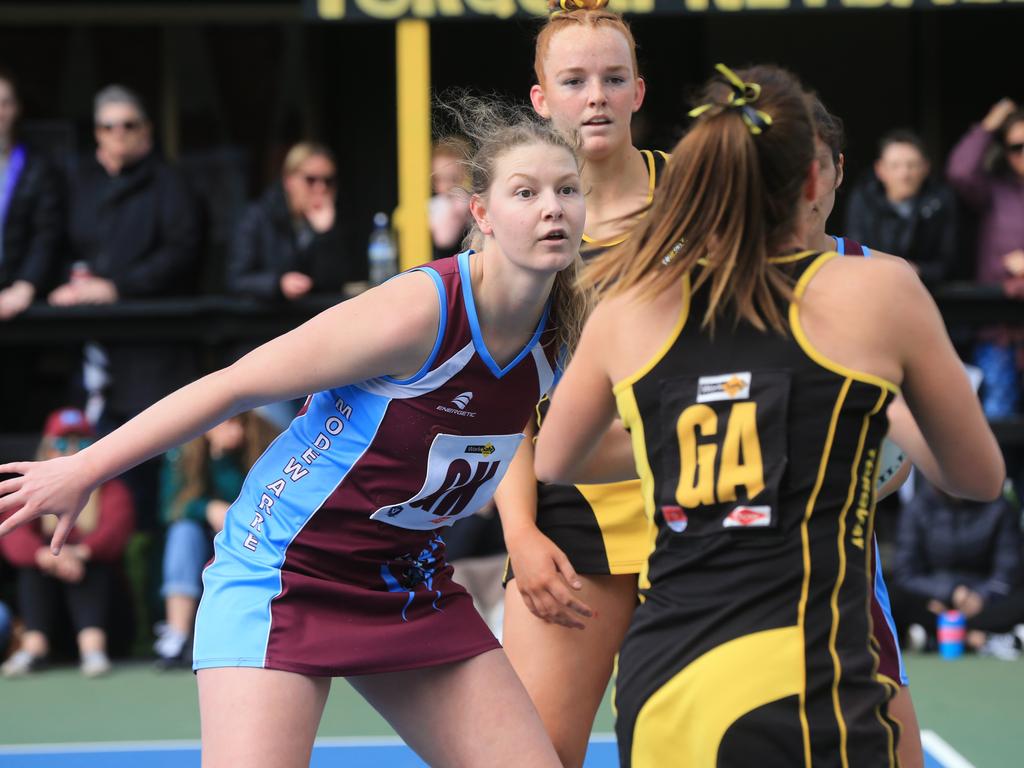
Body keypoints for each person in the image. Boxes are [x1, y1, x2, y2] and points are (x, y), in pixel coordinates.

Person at [0, 103, 587, 768]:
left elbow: (502, 428)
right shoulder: (419, 313)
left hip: (404, 580)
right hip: (283, 571)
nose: (553, 208)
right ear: (480, 214)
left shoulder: (567, 327)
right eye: (526, 192)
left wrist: (522, 530)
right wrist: (85, 469)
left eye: (568, 189)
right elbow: (235, 384)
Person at [534, 63, 1004, 767]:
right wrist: (877, 406)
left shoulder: (629, 305)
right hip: (802, 684)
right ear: (813, 181)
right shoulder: (878, 292)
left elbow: (555, 460)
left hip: (662, 687)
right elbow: (978, 477)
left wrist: (692, 435)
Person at [494, 2, 666, 764]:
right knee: (539, 753)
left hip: (694, 515)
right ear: (541, 99)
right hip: (570, 527)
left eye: (612, 78)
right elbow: (496, 404)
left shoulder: (703, 198)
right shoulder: (516, 227)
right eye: (573, 80)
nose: (594, 95)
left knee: (676, 748)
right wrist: (521, 536)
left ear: (638, 92)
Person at [807, 96, 925, 768]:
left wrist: (883, 472)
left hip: (843, 547)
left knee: (883, 721)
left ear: (840, 170)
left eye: (814, 166)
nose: (800, 186)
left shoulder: (884, 279)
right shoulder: (704, 284)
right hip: (723, 555)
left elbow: (918, 437)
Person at [0, 408, 134, 678]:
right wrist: (48, 556)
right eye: (61, 443)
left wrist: (79, 553)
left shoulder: (113, 489)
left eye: (81, 443)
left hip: (108, 620)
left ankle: (92, 648)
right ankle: (34, 646)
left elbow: (114, 534)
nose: (71, 450)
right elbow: (12, 536)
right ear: (46, 448)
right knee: (38, 561)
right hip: (52, 620)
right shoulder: (30, 488)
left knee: (90, 562)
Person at [154, 411, 278, 668]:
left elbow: (267, 501)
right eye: (227, 423)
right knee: (182, 532)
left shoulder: (265, 437)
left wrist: (224, 461)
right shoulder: (184, 449)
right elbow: (171, 508)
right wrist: (207, 508)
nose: (235, 431)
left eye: (239, 423)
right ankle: (176, 636)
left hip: (254, 532)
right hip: (202, 535)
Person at [947, 98, 1024, 419]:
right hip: (999, 331)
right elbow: (960, 172)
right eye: (1018, 146)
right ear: (1006, 153)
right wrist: (988, 127)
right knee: (997, 417)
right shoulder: (995, 191)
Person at [891, 480, 1024, 660]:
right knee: (891, 594)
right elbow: (905, 573)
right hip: (933, 600)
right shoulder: (917, 507)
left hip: (985, 601)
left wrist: (980, 597)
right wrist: (949, 593)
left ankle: (938, 634)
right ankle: (979, 637)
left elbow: (1007, 570)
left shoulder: (999, 507)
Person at [226, 142, 360, 300]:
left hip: (315, 316)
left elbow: (337, 282)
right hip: (269, 318)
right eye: (311, 180)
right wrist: (278, 283)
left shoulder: (335, 218)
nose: (321, 188)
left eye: (328, 181)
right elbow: (237, 280)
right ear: (289, 181)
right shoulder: (257, 217)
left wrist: (325, 236)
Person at [843, 130, 958, 284]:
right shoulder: (864, 199)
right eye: (895, 166)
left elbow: (949, 261)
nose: (904, 174)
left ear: (925, 168)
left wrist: (919, 270)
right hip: (873, 287)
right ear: (880, 169)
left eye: (912, 165)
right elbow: (854, 254)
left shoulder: (940, 202)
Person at [0, 68, 61, 320]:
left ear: (17, 108)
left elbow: (46, 233)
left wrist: (26, 284)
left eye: (4, 103)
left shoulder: (37, 166)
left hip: (18, 296)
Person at [429, 136, 473, 261]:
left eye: (454, 179)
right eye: (439, 179)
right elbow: (444, 240)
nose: (447, 186)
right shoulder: (436, 205)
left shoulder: (470, 203)